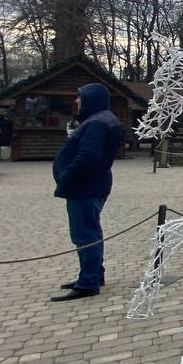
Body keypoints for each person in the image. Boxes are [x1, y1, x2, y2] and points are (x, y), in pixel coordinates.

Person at [51, 84, 125, 301]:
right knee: (90, 231)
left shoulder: (97, 123)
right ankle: (92, 274)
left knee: (85, 234)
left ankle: (89, 281)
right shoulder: (103, 120)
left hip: (85, 186)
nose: (76, 102)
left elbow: (89, 156)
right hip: (91, 185)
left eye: (80, 97)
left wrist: (67, 176)